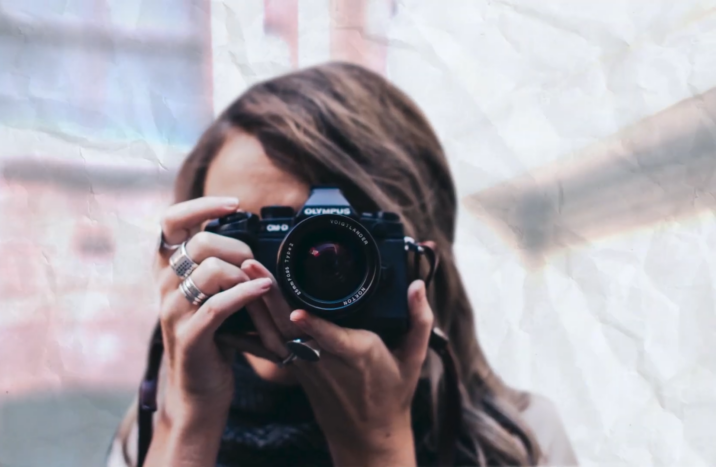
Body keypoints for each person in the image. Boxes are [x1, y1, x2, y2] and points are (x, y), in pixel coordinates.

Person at [106, 62, 578, 467]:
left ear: (410, 256)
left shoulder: (518, 440)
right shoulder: (151, 430)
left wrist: (376, 447)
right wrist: (187, 420)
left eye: (327, 243)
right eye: (248, 231)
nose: (277, 274)